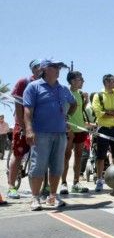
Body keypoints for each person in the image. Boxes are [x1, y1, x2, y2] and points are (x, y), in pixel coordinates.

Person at [23, 59, 77, 210]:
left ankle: (53, 196)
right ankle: (35, 198)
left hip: (60, 134)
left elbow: (74, 104)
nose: (58, 70)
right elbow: (27, 111)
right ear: (45, 69)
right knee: (38, 167)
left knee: (57, 167)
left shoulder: (63, 89)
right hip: (40, 133)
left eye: (59, 67)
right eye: (54, 67)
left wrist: (67, 117)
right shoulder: (33, 87)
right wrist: (28, 130)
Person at [6, 59, 44, 199]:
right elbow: (18, 105)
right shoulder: (24, 82)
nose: (42, 70)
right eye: (39, 67)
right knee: (18, 155)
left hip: (40, 126)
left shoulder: (45, 84)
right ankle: (11, 186)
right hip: (22, 125)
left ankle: (42, 186)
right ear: (33, 69)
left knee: (42, 157)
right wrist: (23, 126)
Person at [92, 74, 114, 192]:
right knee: (100, 156)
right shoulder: (98, 95)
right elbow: (97, 111)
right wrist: (112, 113)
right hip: (103, 129)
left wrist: (109, 112)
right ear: (106, 82)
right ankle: (99, 180)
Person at [60, 71, 90, 194]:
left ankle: (76, 183)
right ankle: (63, 184)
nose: (83, 81)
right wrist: (68, 128)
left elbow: (80, 111)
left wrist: (86, 101)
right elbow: (63, 112)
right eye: (80, 79)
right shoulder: (65, 93)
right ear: (72, 81)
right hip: (69, 129)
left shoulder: (81, 94)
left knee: (78, 156)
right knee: (66, 157)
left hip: (81, 129)